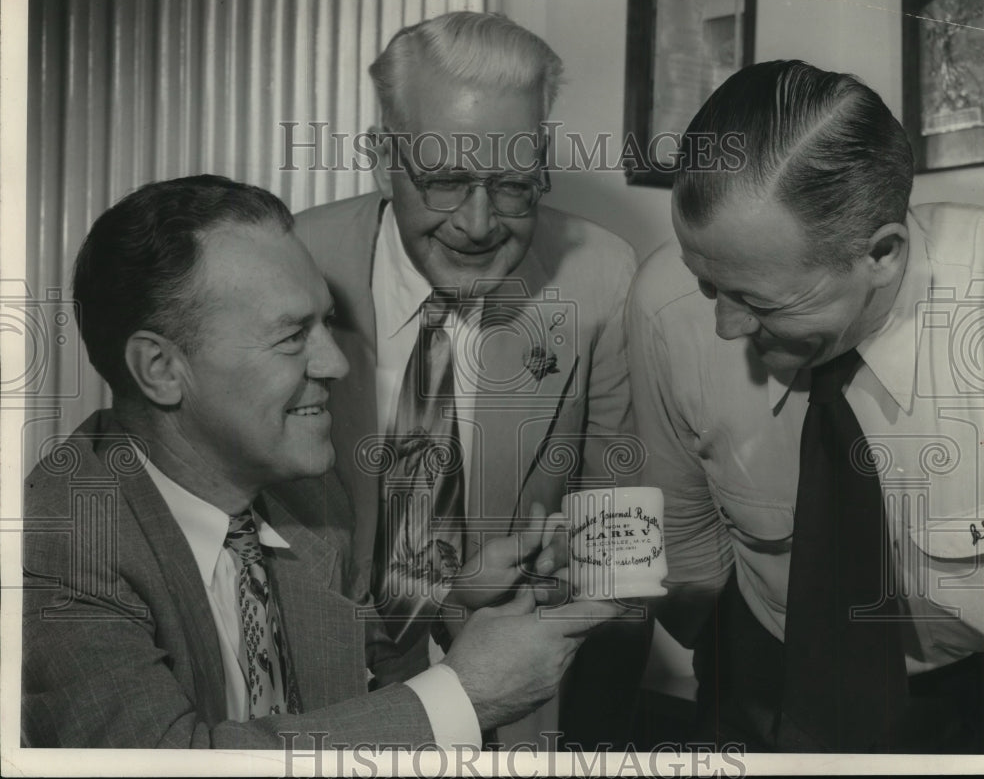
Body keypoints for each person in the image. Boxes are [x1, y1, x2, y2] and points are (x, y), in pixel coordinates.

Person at [20, 174, 623, 748]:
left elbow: (377, 686)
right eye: (291, 337)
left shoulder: (307, 494)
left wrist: (461, 615)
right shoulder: (59, 539)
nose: (335, 363)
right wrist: (466, 696)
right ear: (160, 370)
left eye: (326, 322)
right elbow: (161, 762)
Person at [287, 11, 648, 748]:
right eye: (447, 181)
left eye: (515, 184)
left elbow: (618, 542)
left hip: (515, 702)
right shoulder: (295, 259)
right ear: (383, 157)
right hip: (315, 698)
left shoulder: (601, 275)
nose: (479, 224)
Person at [627, 60, 984, 753]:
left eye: (760, 302)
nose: (725, 328)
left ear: (882, 254)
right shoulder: (663, 306)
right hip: (759, 677)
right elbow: (683, 531)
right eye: (708, 286)